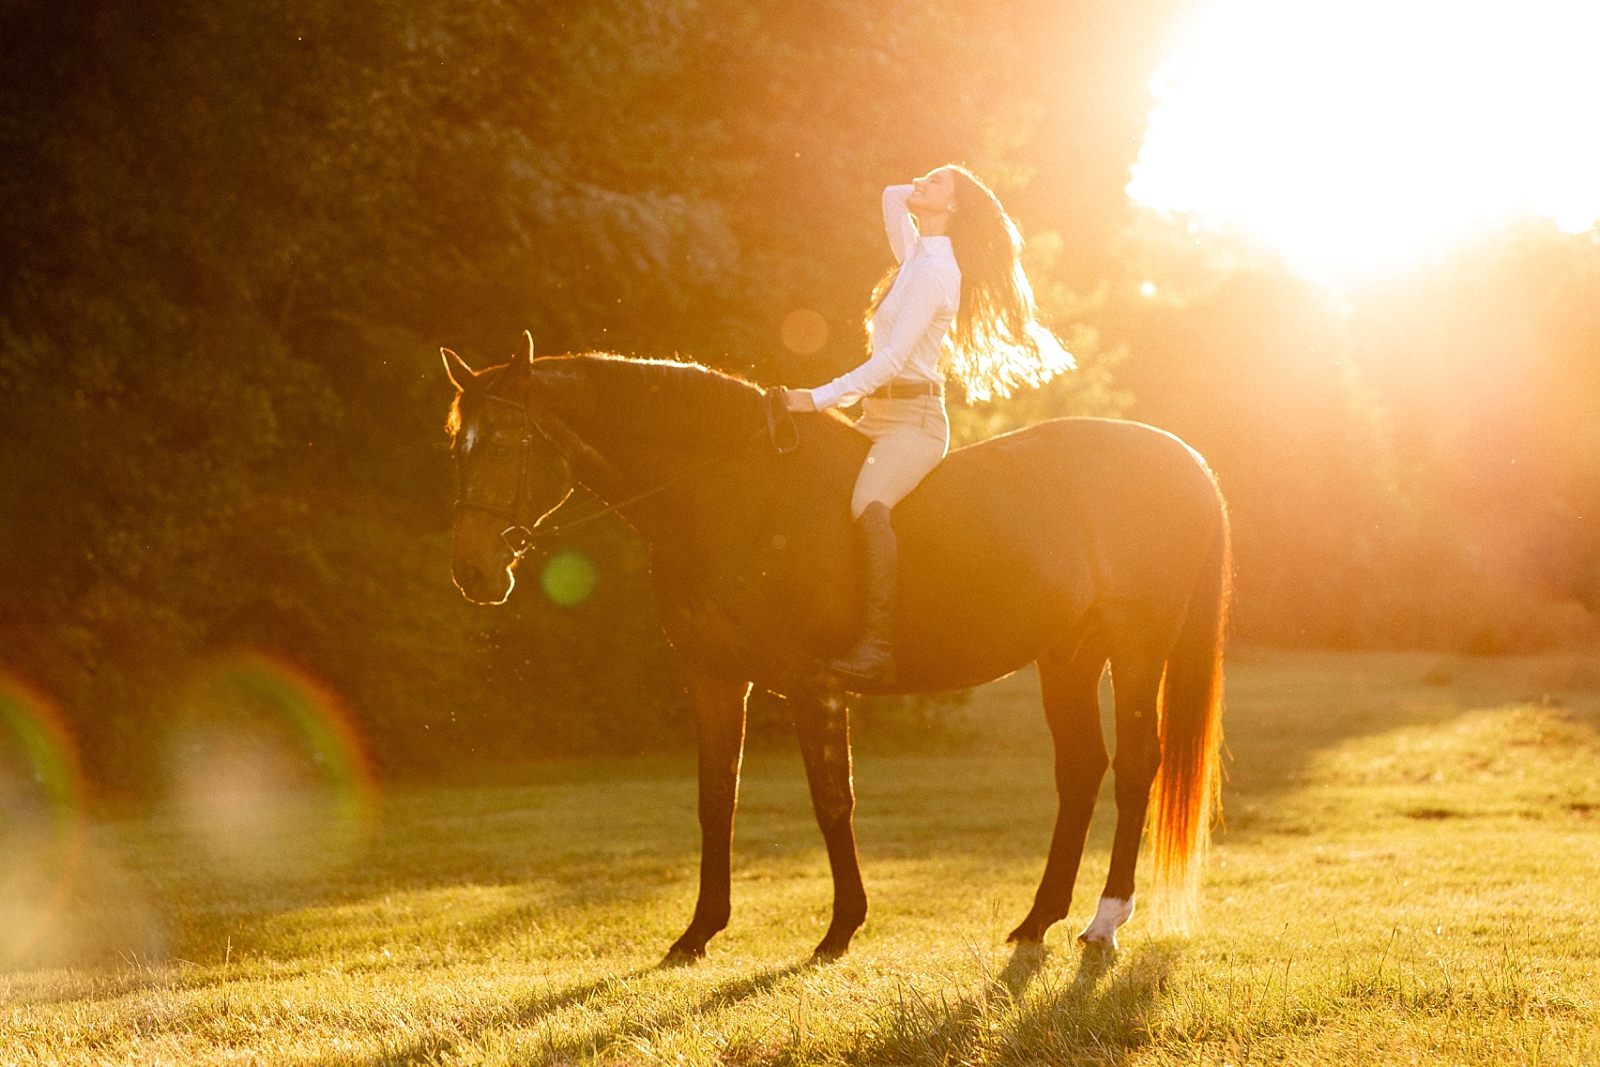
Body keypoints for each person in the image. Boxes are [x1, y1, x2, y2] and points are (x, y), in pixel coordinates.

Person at [784, 165, 1072, 682]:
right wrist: (925, 189)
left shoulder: (939, 273)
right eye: (922, 177)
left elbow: (892, 361)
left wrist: (817, 397)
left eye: (935, 182)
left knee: (866, 506)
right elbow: (889, 196)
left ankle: (878, 649)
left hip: (913, 425)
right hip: (876, 417)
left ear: (955, 206)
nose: (918, 183)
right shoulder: (916, 256)